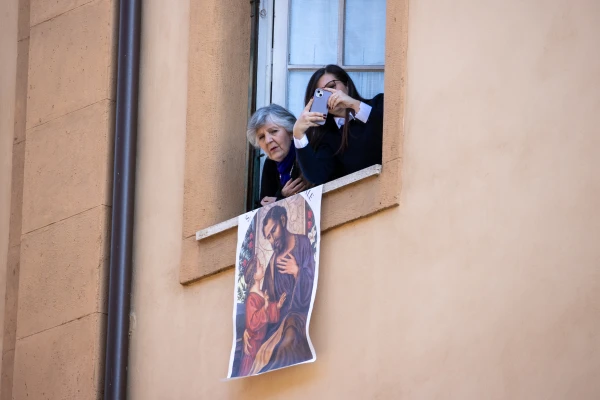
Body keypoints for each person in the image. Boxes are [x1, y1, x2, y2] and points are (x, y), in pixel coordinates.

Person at [243, 205, 316, 374]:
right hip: (278, 327)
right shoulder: (271, 267)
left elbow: (309, 289)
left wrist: (297, 272)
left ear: (283, 221)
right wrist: (248, 331)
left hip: (298, 317)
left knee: (289, 341)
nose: (271, 240)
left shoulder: (303, 243)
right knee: (262, 355)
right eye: (268, 237)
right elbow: (266, 306)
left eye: (273, 231)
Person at [293, 65, 385, 185]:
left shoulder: (378, 103)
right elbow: (317, 176)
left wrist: (353, 104)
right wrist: (298, 134)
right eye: (320, 95)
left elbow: (387, 130)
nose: (329, 95)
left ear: (346, 84)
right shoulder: (328, 138)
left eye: (332, 87)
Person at [246, 104, 309, 207]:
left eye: (274, 131)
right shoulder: (270, 164)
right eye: (261, 137)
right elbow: (263, 207)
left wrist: (279, 199)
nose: (267, 140)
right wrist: (282, 196)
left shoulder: (304, 151)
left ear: (290, 131)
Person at [238, 256, 287, 377]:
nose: (262, 267)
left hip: (261, 340)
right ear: (254, 276)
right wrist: (265, 306)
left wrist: (277, 306)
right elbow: (253, 323)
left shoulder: (260, 293)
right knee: (250, 371)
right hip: (253, 343)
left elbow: (268, 313)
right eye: (260, 266)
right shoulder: (251, 298)